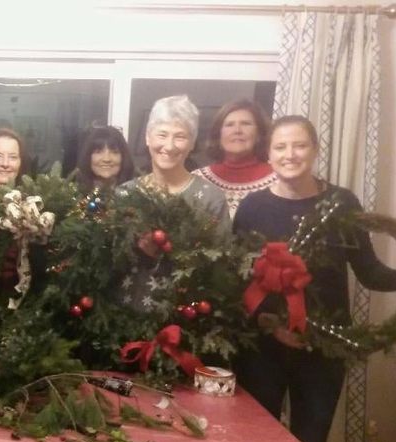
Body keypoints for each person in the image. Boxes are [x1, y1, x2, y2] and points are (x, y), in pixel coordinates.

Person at [233, 115, 396, 442]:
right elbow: (239, 279)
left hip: (324, 347)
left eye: (299, 145)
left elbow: (369, 271)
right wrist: (273, 325)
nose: (290, 154)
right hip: (263, 348)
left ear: (315, 150)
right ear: (269, 154)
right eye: (280, 147)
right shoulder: (252, 207)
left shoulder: (341, 203)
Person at [115, 95, 231, 312]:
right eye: (162, 134)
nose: (169, 146)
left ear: (192, 144)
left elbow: (220, 265)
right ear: (148, 138)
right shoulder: (124, 194)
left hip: (185, 314)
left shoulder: (210, 198)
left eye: (180, 137)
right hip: (125, 313)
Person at [194, 99, 275, 218]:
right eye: (229, 125)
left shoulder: (279, 180)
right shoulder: (197, 180)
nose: (237, 130)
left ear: (259, 133)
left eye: (246, 124)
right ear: (218, 134)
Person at [75, 126, 137, 195]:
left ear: (123, 157)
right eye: (98, 152)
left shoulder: (138, 195)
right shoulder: (73, 195)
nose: (106, 159)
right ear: (88, 157)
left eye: (114, 152)